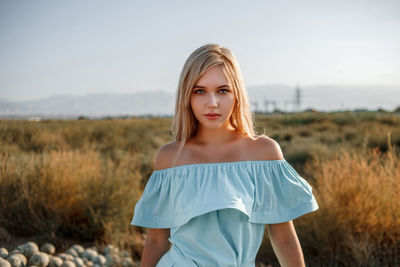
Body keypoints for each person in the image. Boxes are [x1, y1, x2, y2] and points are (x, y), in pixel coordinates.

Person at [131, 43, 319, 267]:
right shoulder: (170, 157)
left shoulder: (263, 153)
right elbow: (156, 241)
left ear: (236, 94)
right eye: (199, 91)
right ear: (187, 97)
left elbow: (284, 238)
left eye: (222, 90)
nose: (212, 103)